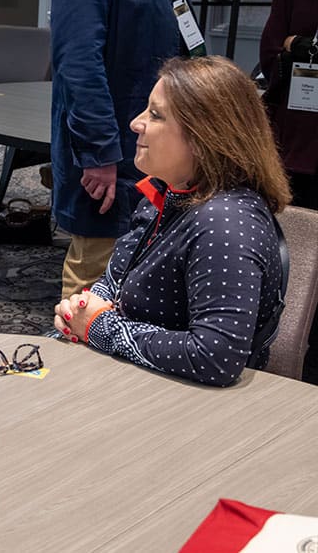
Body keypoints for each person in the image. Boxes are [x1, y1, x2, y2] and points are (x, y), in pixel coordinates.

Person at [53, 56, 291, 387]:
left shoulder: (225, 222)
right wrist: (81, 309)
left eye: (155, 115)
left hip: (183, 403)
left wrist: (99, 326)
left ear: (203, 136)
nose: (135, 123)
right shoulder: (169, 194)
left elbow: (216, 357)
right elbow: (115, 280)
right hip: (132, 378)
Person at [49, 0, 200, 301]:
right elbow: (78, 61)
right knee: (95, 279)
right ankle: (76, 344)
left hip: (152, 144)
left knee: (139, 272)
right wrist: (99, 153)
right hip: (113, 152)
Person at [260, 0, 318, 211]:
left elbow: (284, 43)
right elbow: (270, 51)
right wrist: (295, 48)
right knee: (293, 217)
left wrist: (295, 43)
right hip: (297, 124)